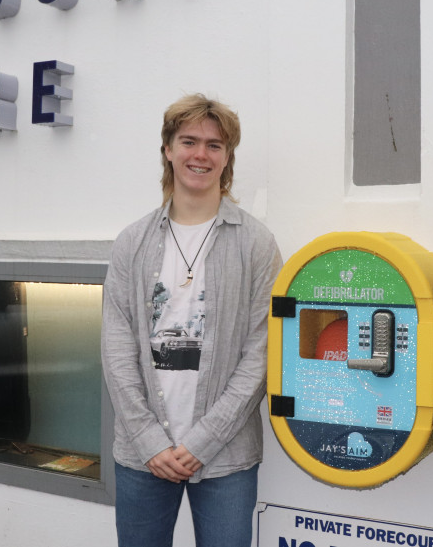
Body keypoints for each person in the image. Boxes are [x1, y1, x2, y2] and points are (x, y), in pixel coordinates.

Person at [101, 93, 282, 547]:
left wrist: (203, 441)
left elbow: (261, 354)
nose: (200, 154)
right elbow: (117, 348)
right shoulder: (132, 243)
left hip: (226, 456)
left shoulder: (256, 245)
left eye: (214, 145)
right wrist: (149, 440)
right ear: (168, 149)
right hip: (143, 455)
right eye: (189, 141)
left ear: (227, 158)